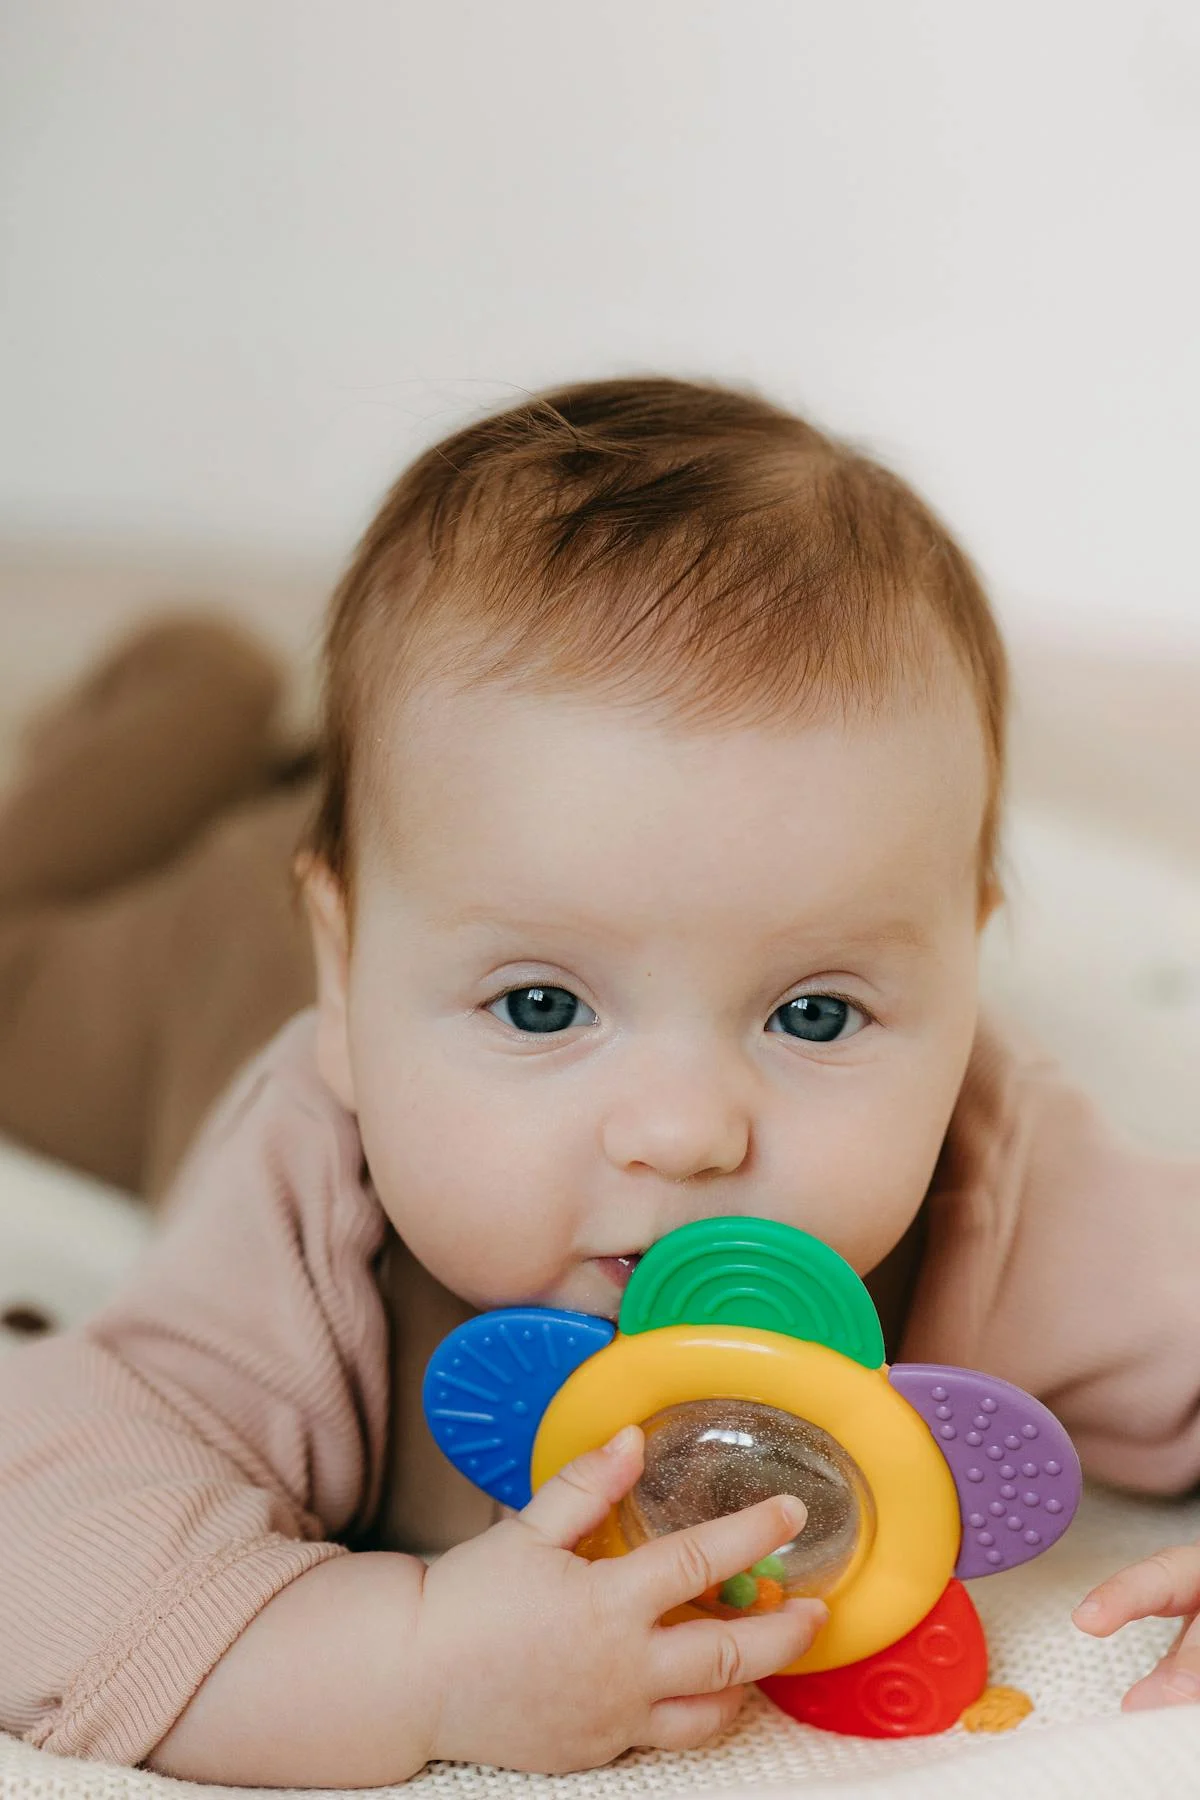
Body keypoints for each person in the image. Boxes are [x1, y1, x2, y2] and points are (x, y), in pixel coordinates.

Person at [0, 378, 1197, 1785]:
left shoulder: (1005, 1173)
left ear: (961, 972)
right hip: (198, 971)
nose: (685, 1133)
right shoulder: (310, 1191)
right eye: (543, 1004)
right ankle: (186, 700)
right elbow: (44, 1516)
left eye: (814, 1012)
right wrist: (411, 1665)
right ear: (346, 983)